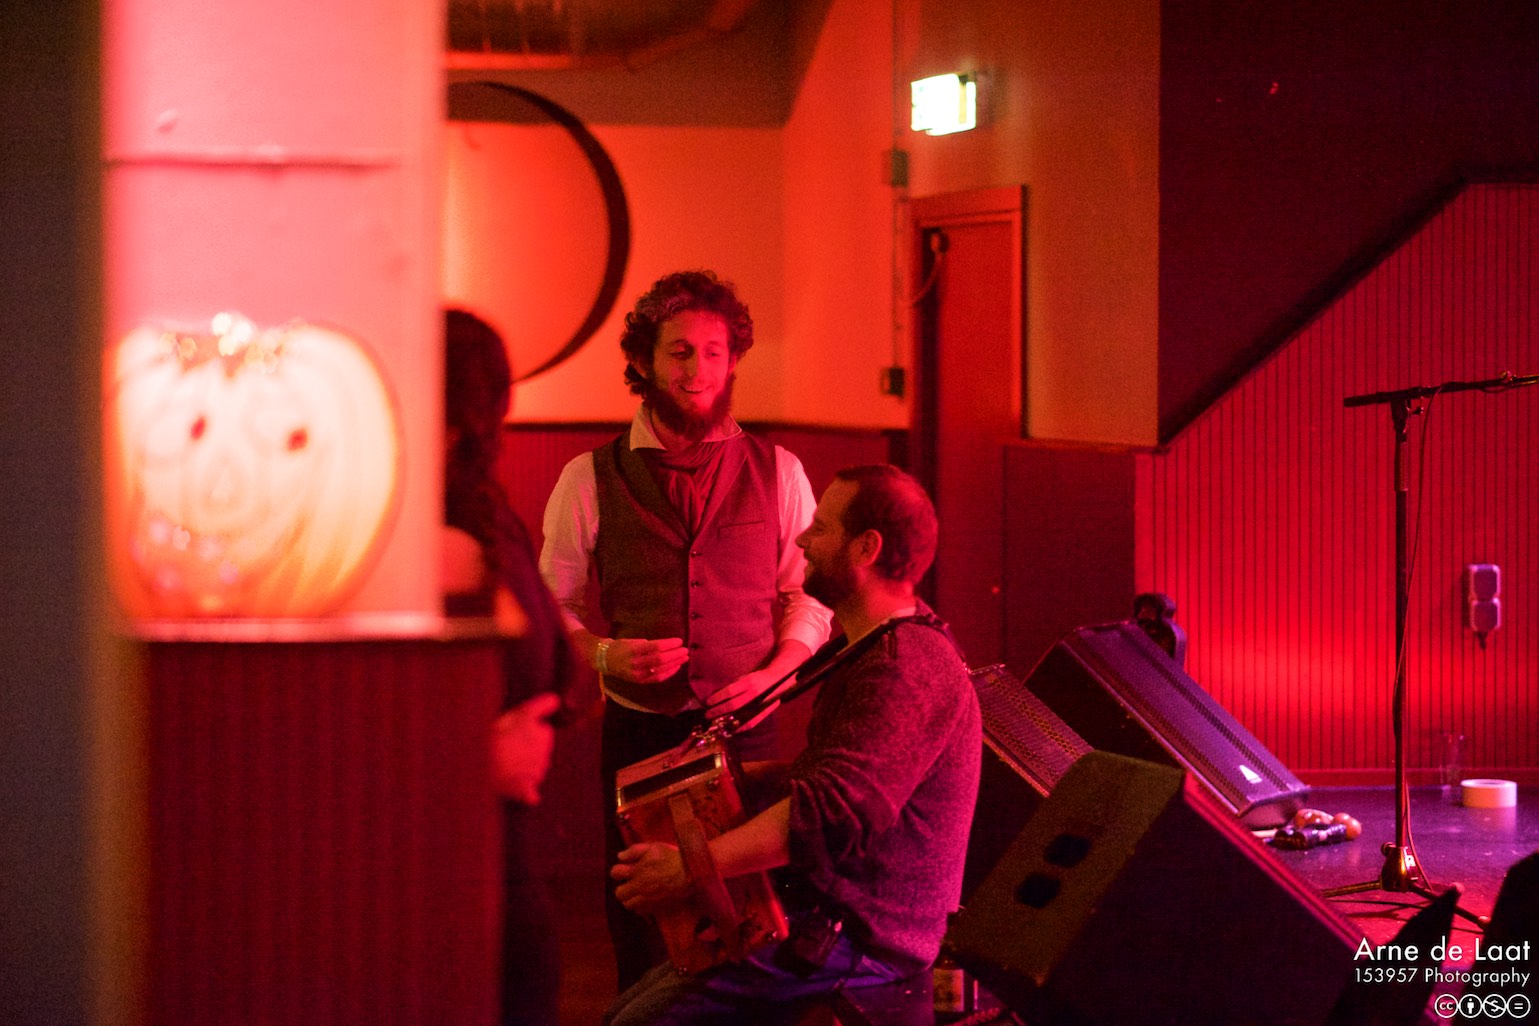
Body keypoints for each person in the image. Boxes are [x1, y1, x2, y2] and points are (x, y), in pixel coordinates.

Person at [604, 464, 982, 1026]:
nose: (803, 539)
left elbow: (829, 814)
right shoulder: (877, 644)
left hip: (861, 940)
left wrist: (689, 867)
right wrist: (749, 778)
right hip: (826, 918)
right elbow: (845, 782)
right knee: (625, 1012)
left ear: (866, 548)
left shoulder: (905, 668)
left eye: (821, 528)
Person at [538, 269, 832, 990]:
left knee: (756, 918)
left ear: (732, 363)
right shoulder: (586, 476)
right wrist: (603, 655)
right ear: (642, 361)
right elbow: (550, 609)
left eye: (712, 352)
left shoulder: (780, 470)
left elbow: (811, 598)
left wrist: (773, 675)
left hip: (751, 735)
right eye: (679, 352)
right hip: (640, 735)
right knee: (646, 920)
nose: (696, 369)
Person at [444, 307, 580, 1026]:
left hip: (488, 858)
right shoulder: (456, 528)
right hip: (462, 859)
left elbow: (556, 671)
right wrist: (479, 758)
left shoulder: (473, 522)